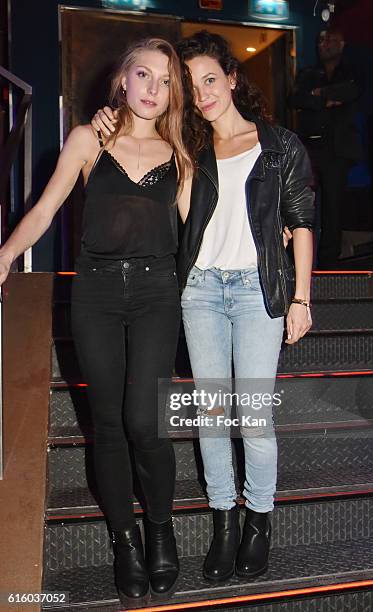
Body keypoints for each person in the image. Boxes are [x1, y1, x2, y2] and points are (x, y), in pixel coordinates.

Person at [92, 30, 314, 584]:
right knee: (214, 419)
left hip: (258, 290)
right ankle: (223, 522)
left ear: (233, 79)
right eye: (190, 85)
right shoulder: (185, 148)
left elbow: (302, 221)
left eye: (210, 79)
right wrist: (107, 118)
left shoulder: (281, 144)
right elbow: (135, 155)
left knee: (255, 419)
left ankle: (258, 522)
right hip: (200, 291)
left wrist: (302, 297)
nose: (203, 92)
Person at [0, 38, 194, 607]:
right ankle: (125, 541)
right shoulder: (89, 139)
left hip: (158, 292)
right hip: (97, 294)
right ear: (123, 80)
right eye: (143, 74)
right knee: (107, 425)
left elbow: (200, 234)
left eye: (165, 79)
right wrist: (7, 254)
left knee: (145, 422)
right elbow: (45, 206)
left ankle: (160, 525)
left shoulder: (181, 153)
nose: (153, 88)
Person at [289, 28, 364, 268]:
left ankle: (329, 264)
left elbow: (352, 91)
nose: (324, 44)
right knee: (302, 205)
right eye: (321, 40)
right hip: (309, 147)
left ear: (341, 44)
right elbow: (297, 99)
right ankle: (299, 261)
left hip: (338, 150)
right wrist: (325, 98)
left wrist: (318, 96)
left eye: (330, 40)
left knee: (334, 207)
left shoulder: (352, 70)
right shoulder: (309, 72)